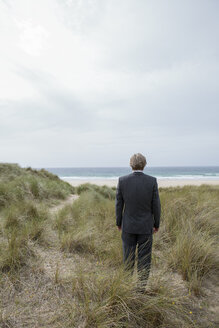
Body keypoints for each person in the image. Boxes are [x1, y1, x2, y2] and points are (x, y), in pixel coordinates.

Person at [115, 153, 161, 289]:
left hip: (128, 226)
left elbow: (118, 204)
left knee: (128, 259)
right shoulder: (152, 181)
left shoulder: (122, 181)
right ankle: (140, 289)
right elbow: (156, 206)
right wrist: (156, 224)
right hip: (146, 227)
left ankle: (126, 288)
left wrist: (119, 222)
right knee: (144, 260)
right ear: (144, 164)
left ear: (131, 164)